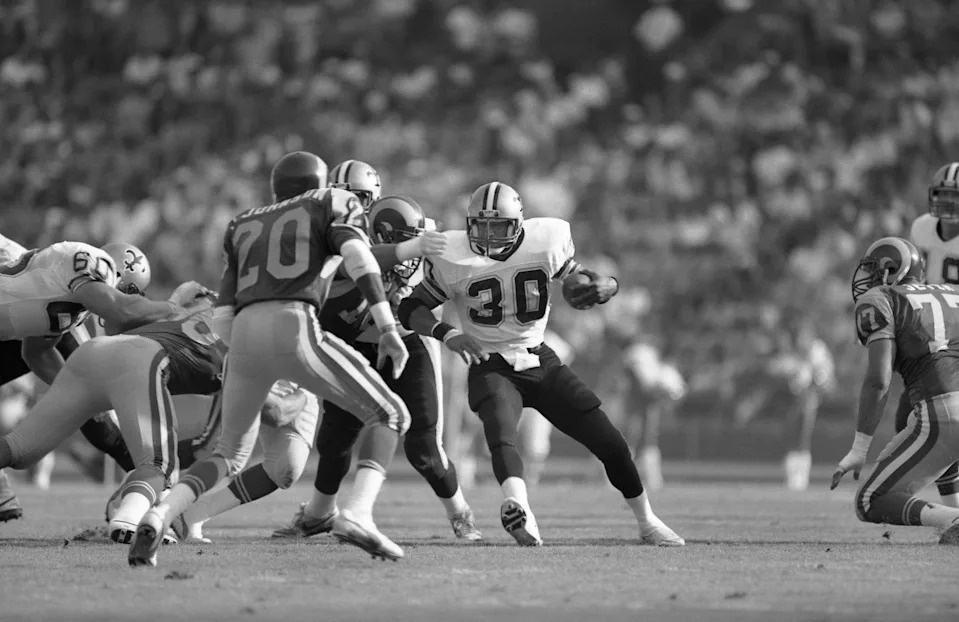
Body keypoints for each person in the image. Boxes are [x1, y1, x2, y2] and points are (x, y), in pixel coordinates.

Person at [129, 151, 412, 567]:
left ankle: (160, 514)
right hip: (293, 320)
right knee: (390, 414)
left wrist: (239, 362)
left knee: (227, 455)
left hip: (242, 334)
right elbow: (359, 258)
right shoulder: (332, 202)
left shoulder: (243, 221)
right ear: (320, 183)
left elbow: (224, 312)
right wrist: (387, 327)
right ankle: (357, 514)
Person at [397, 181, 684, 547]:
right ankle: (519, 507)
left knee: (610, 442)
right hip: (489, 361)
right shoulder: (452, 254)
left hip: (539, 358)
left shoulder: (545, 240)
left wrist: (606, 286)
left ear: (518, 225)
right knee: (500, 432)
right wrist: (447, 334)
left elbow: (590, 279)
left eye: (497, 227)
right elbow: (410, 308)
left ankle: (648, 521)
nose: (486, 237)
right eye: (479, 227)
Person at [273, 194, 482, 542]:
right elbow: (362, 260)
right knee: (335, 439)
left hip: (409, 344)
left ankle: (460, 513)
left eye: (415, 236)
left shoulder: (427, 237)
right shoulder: (342, 245)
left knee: (425, 447)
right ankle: (318, 514)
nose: (414, 243)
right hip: (353, 348)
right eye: (405, 238)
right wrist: (411, 247)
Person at [0, 291, 224, 544]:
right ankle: (130, 520)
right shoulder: (251, 350)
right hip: (140, 359)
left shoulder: (200, 318)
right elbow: (225, 440)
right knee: (159, 467)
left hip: (89, 353)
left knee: (18, 449)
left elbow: (122, 322)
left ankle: (133, 507)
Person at [0, 238, 197, 522]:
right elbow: (122, 308)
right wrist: (174, 307)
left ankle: (150, 491)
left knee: (29, 448)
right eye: (133, 292)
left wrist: (79, 399)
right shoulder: (93, 261)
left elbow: (36, 352)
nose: (136, 300)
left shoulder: (74, 308)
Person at [831, 236, 959, 544]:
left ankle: (953, 519)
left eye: (873, 271)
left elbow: (879, 380)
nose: (867, 279)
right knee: (945, 451)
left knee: (869, 500)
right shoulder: (953, 292)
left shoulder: (882, 297)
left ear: (890, 269)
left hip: (944, 410)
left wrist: (859, 449)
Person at [902, 161, 959, 507]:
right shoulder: (921, 228)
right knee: (918, 416)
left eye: (955, 196)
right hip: (933, 332)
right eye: (943, 195)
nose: (948, 203)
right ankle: (953, 509)